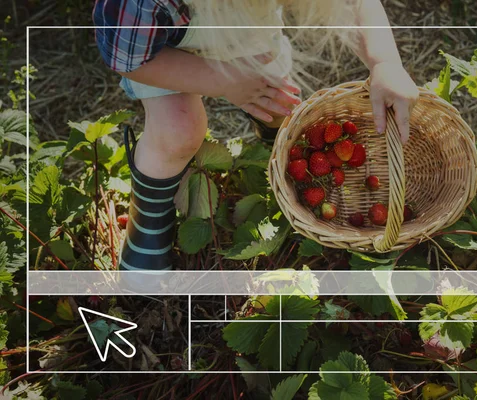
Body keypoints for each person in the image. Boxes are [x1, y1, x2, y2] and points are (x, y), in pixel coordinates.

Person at [93, 0, 419, 271]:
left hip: (244, 29)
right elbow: (128, 59)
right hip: (161, 49)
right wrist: (224, 83)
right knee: (178, 130)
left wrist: (384, 62)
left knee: (282, 106)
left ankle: (279, 162)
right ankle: (148, 219)